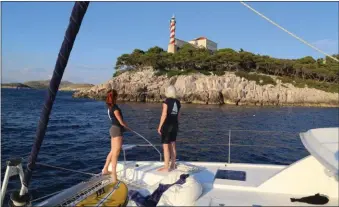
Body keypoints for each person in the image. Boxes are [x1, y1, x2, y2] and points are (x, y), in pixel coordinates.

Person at [102, 89, 130, 182]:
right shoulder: (115, 108)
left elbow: (116, 121)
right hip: (117, 130)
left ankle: (105, 169)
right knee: (116, 154)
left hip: (113, 129)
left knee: (112, 151)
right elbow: (121, 122)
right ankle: (114, 175)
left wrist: (124, 126)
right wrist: (127, 127)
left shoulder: (110, 107)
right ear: (115, 96)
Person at [157, 85, 181, 172]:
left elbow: (164, 115)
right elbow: (178, 116)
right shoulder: (178, 102)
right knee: (173, 146)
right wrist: (177, 125)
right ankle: (173, 165)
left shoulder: (166, 102)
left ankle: (166, 167)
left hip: (167, 126)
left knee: (166, 147)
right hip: (174, 126)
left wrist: (159, 127)